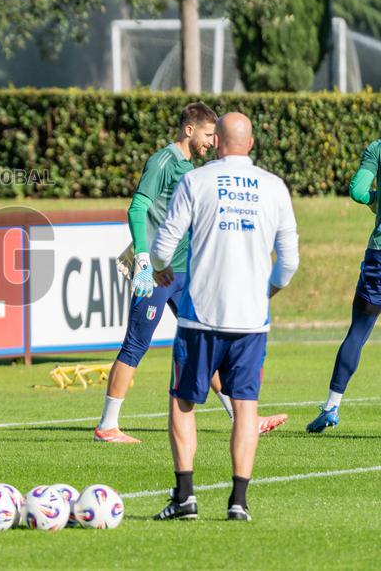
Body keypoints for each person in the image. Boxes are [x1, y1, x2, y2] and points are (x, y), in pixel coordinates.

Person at [95, 102, 288, 443]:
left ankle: (244, 418)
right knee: (136, 344)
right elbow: (137, 207)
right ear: (189, 130)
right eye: (209, 134)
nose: (213, 142)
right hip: (157, 274)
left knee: (206, 343)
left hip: (186, 274)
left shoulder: (190, 168)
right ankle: (107, 426)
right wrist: (143, 260)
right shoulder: (164, 162)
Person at [151, 112, 299, 522]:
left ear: (217, 143)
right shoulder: (274, 187)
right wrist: (267, 290)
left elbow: (164, 242)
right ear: (250, 144)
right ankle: (238, 501)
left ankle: (185, 498)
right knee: (246, 404)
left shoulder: (196, 181)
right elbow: (289, 262)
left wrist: (160, 266)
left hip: (200, 315)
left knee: (183, 401)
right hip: (251, 320)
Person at [306, 138, 381, 433]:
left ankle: (331, 407)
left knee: (358, 334)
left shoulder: (377, 148)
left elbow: (358, 191)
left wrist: (376, 199)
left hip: (379, 257)